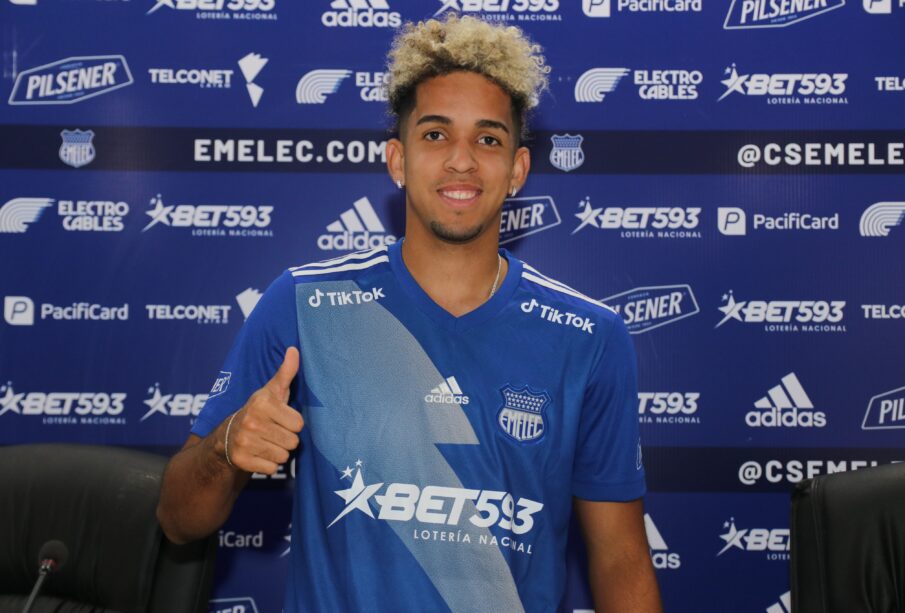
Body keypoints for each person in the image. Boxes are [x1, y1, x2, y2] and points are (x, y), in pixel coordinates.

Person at [157, 14, 662, 613]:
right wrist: (226, 446)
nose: (461, 161)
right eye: (436, 134)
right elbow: (178, 520)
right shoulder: (303, 304)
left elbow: (620, 558)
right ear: (397, 160)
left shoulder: (590, 337)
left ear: (518, 170)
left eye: (488, 139)